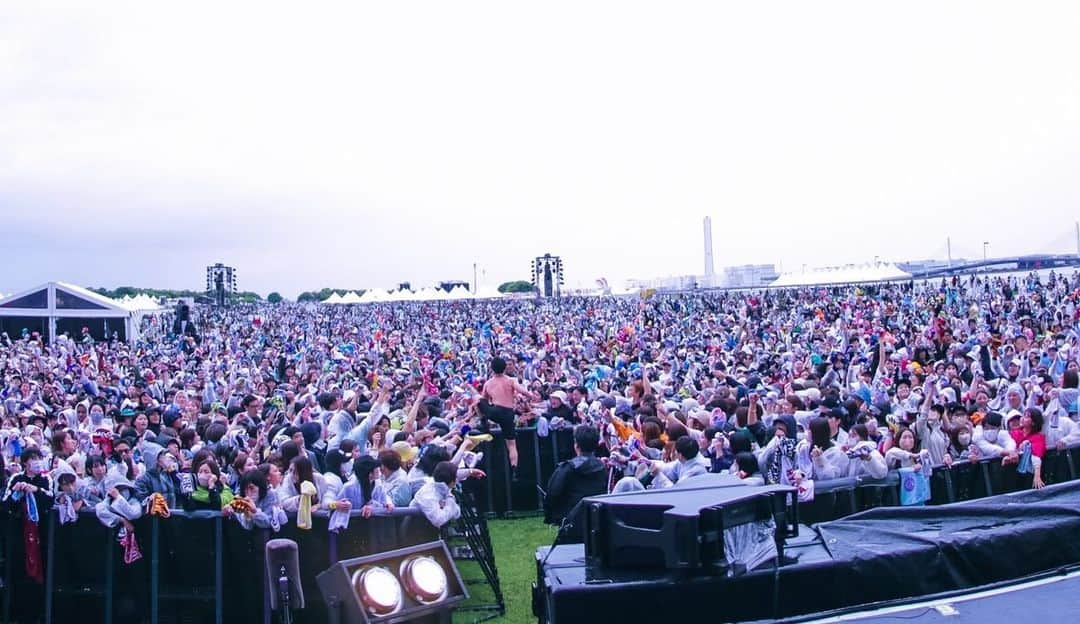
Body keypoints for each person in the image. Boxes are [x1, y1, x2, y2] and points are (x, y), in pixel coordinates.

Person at [480, 356, 539, 480]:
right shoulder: (511, 380)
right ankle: (514, 468)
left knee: (477, 400)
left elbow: (483, 400)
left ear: (492, 368)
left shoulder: (488, 383)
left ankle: (483, 421)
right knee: (512, 445)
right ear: (505, 367)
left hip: (494, 412)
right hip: (508, 413)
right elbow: (520, 390)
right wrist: (530, 395)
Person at [543, 425, 606, 526]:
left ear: (576, 445)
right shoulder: (603, 467)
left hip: (571, 521)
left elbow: (552, 495)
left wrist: (551, 517)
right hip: (597, 519)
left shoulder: (566, 468)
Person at [410, 460, 460, 528]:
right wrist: (450, 502)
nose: (457, 480)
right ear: (452, 482)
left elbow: (457, 513)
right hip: (413, 531)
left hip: (428, 531)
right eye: (456, 478)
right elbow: (438, 520)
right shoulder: (428, 494)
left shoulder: (443, 487)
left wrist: (447, 504)